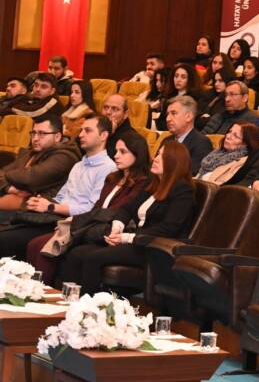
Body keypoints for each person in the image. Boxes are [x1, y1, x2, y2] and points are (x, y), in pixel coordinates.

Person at [57, 140, 196, 295]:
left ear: (174, 162)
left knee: (93, 258)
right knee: (77, 252)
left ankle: (89, 308)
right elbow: (126, 209)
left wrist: (127, 237)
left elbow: (169, 227)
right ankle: (68, 302)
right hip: (135, 242)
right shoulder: (154, 184)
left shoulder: (183, 190)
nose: (155, 158)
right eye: (157, 154)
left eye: (162, 156)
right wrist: (117, 227)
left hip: (153, 248)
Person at [25, 129, 150, 283]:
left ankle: (47, 293)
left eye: (123, 152)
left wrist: (76, 222)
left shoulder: (142, 183)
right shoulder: (112, 178)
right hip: (91, 226)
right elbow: (97, 208)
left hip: (109, 232)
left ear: (137, 154)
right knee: (34, 244)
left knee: (52, 249)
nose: (116, 155)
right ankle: (34, 291)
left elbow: (116, 212)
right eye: (116, 151)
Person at [0, 116, 115, 257]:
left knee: (5, 239)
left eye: (87, 130)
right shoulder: (79, 166)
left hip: (73, 225)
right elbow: (61, 196)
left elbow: (91, 210)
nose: (81, 135)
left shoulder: (109, 169)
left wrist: (50, 206)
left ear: (103, 135)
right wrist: (40, 203)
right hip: (54, 218)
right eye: (81, 130)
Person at [0, 115, 80, 210]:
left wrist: (6, 177)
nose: (35, 138)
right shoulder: (34, 151)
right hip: (18, 198)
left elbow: (29, 179)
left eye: (42, 134)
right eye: (33, 133)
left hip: (38, 207)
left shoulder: (65, 157)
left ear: (57, 137)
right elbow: (3, 171)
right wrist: (9, 188)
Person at [163, 95, 212, 175]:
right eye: (168, 114)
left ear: (188, 116)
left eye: (173, 113)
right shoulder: (166, 140)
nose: (168, 119)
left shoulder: (202, 143)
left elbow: (190, 175)